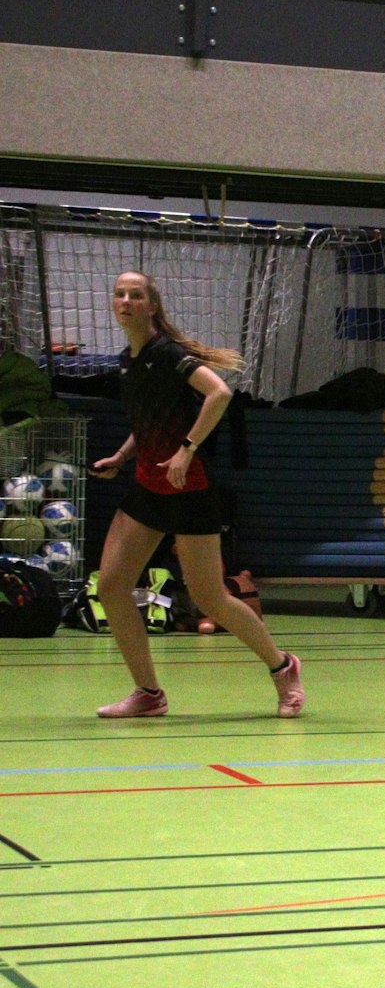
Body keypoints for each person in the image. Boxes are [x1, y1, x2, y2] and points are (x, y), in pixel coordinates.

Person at [90, 271, 303, 719]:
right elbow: (149, 419)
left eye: (136, 294)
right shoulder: (128, 360)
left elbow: (219, 392)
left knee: (210, 599)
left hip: (188, 488)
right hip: (148, 485)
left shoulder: (168, 354)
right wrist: (123, 455)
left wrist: (187, 451)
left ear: (152, 306)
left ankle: (283, 668)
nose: (125, 300)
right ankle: (148, 694)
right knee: (111, 586)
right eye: (119, 294)